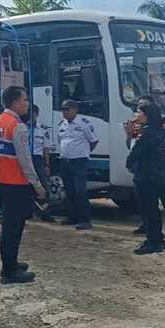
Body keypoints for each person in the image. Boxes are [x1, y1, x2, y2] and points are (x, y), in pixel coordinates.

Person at [0, 86, 46, 284]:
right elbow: (25, 160)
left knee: (9, 225)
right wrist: (37, 184)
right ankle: (9, 271)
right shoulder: (16, 126)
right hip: (15, 183)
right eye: (25, 100)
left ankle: (11, 262)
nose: (28, 104)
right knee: (13, 227)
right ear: (15, 103)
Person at [126, 95, 165, 240]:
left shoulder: (160, 122)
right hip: (141, 167)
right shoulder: (136, 124)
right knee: (144, 200)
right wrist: (129, 134)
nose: (140, 108)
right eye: (139, 105)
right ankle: (147, 226)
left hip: (156, 166)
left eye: (144, 105)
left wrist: (151, 145)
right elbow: (131, 145)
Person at [126, 102, 165, 254]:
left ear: (147, 115)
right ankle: (157, 238)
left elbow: (136, 151)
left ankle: (154, 242)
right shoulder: (155, 131)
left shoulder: (148, 132)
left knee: (148, 209)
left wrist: (129, 163)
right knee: (151, 209)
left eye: (139, 112)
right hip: (154, 175)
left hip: (147, 176)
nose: (136, 115)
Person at [57, 99, 98, 230]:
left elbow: (93, 141)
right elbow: (61, 141)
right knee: (69, 190)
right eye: (63, 110)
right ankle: (73, 215)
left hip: (79, 161)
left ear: (75, 110)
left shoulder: (83, 123)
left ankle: (85, 218)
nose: (65, 112)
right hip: (65, 161)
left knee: (81, 190)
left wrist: (84, 152)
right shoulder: (62, 125)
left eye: (67, 110)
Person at [29, 104, 55, 222]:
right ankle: (28, 212)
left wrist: (47, 165)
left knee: (43, 187)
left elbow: (46, 149)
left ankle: (45, 213)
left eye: (33, 113)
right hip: (25, 159)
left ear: (37, 114)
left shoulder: (43, 129)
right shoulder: (21, 127)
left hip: (38, 159)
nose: (31, 115)